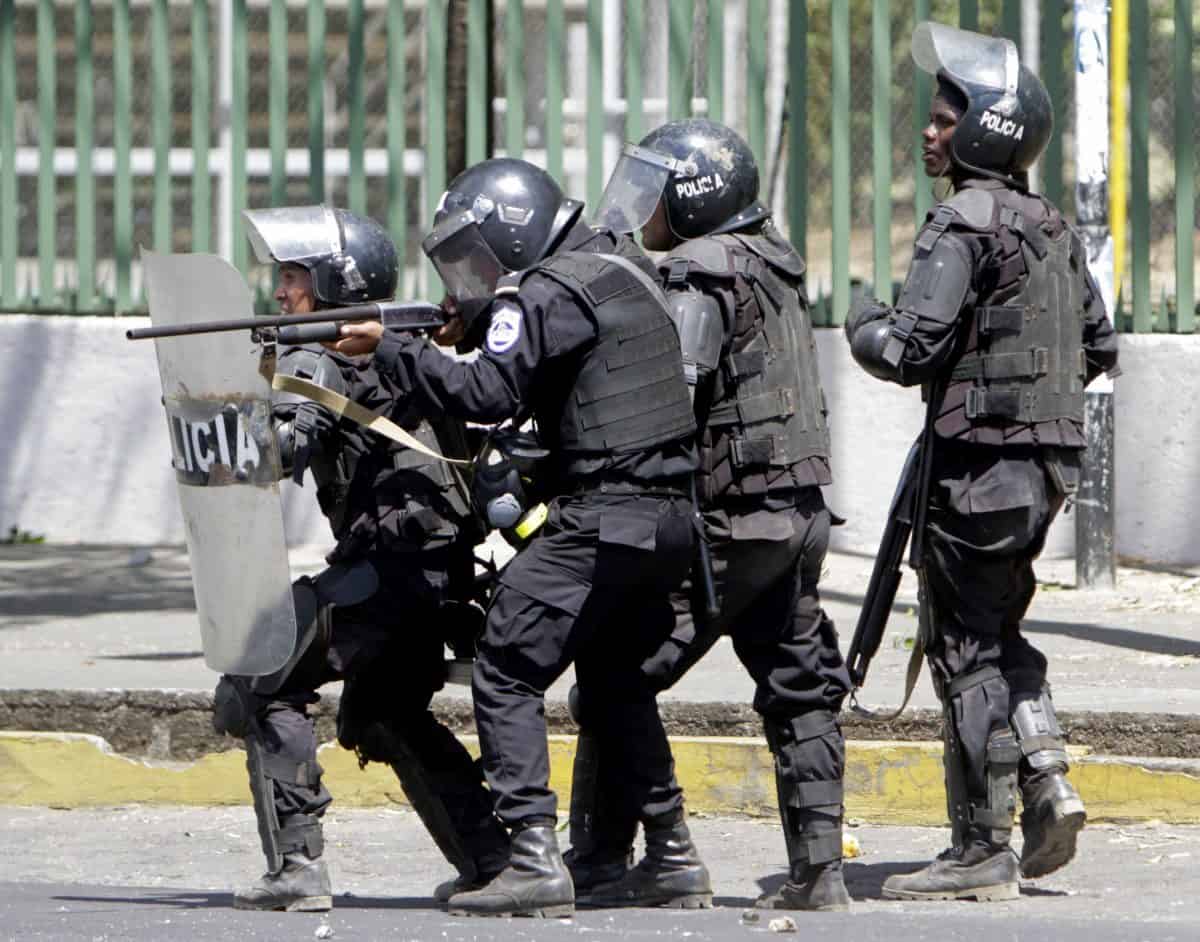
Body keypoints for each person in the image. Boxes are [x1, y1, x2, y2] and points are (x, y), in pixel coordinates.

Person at [329, 158, 701, 918]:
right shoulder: (617, 268)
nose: (482, 274)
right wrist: (452, 332)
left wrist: (390, 348)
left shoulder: (547, 289)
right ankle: (672, 854)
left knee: (506, 659)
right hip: (666, 521)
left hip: (605, 512)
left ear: (514, 227)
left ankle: (532, 856)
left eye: (483, 254)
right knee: (615, 678)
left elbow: (488, 392)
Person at [843, 23, 1120, 901]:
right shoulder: (1053, 226)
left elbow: (911, 353)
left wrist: (862, 329)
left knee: (963, 649)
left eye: (942, 118)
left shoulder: (961, 221)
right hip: (1042, 476)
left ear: (983, 130)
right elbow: (1102, 346)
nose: (929, 132)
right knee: (996, 634)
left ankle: (978, 848)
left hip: (978, 472)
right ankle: (1046, 777)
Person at [561, 119, 853, 912]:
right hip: (796, 516)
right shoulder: (772, 259)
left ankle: (650, 855)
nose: (640, 207)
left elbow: (674, 393)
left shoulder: (697, 270)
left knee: (615, 673)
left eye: (656, 190)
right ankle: (820, 871)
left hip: (728, 522)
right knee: (797, 685)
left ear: (691, 198)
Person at [212, 205, 509, 912]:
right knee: (385, 714)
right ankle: (495, 861)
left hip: (383, 575)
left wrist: (221, 423)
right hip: (438, 577)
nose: (281, 293)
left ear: (331, 281)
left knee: (258, 675)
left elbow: (282, 451)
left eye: (292, 277)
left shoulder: (319, 355)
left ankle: (297, 872)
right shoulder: (406, 346)